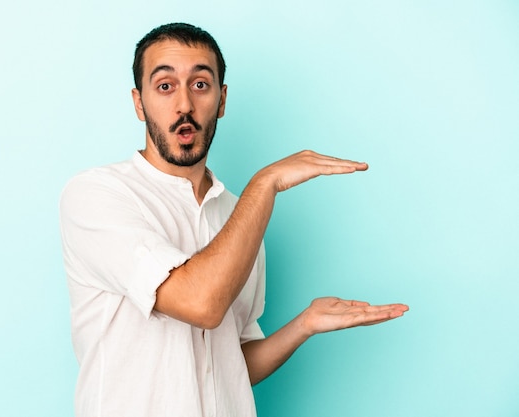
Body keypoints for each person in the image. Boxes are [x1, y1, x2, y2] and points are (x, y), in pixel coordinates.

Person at [59, 22, 409, 417]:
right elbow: (201, 302)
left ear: (222, 100)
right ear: (139, 102)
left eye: (201, 84)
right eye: (165, 86)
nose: (185, 105)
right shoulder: (96, 195)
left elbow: (232, 361)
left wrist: (304, 324)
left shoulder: (238, 214)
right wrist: (265, 184)